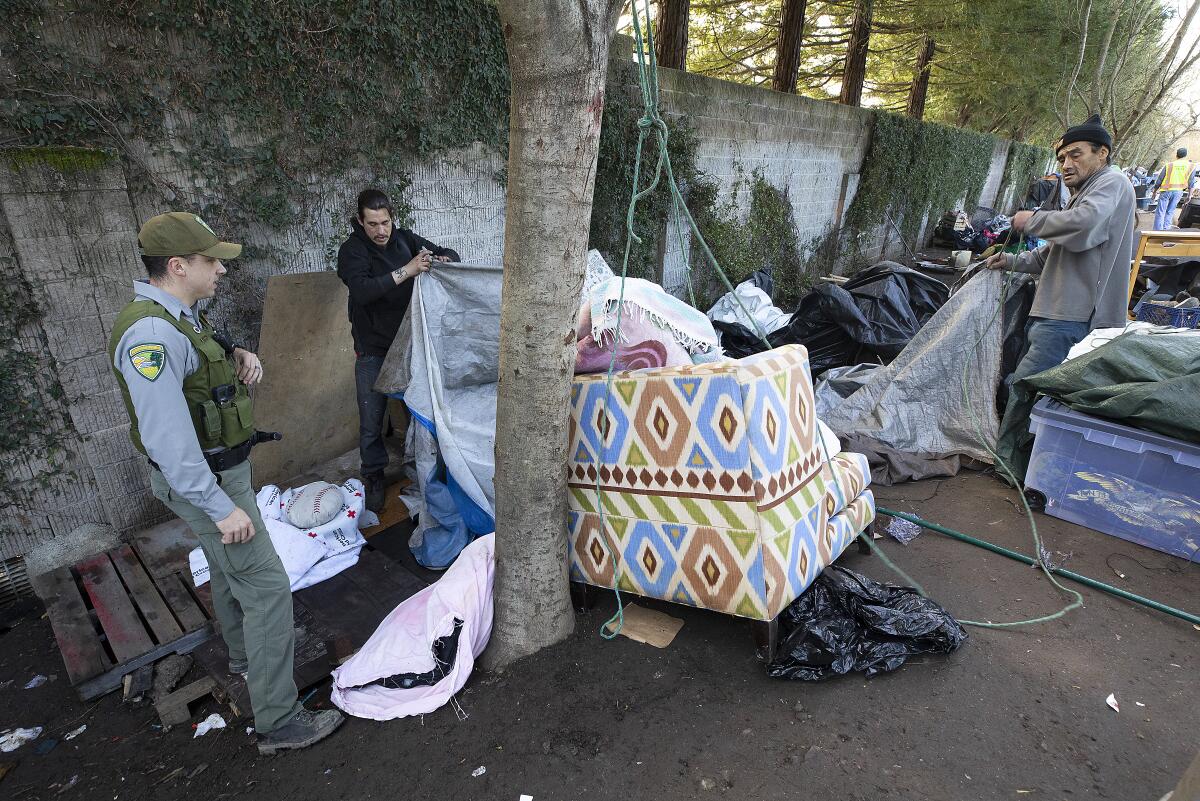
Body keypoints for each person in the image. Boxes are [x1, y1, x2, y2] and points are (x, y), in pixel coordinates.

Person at [108, 212, 344, 754]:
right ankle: (279, 721)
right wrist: (220, 508)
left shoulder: (178, 315)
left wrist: (238, 352)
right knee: (266, 589)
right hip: (209, 484)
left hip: (220, 475)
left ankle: (242, 656)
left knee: (226, 569)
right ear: (177, 265)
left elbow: (202, 362)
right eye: (211, 261)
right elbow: (169, 443)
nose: (220, 270)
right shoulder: (150, 335)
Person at [985, 115, 1136, 482]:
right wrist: (1009, 260)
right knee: (1035, 387)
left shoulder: (1111, 183)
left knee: (1026, 386)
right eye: (1062, 158)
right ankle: (1034, 465)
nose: (1067, 165)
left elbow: (1083, 226)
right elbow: (1051, 253)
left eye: (1076, 155)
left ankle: (1013, 467)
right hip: (1055, 310)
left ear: (1103, 154)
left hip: (1072, 314)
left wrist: (1031, 220)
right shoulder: (1085, 192)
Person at [336, 189, 460, 512]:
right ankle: (374, 476)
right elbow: (363, 291)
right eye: (373, 224)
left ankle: (421, 474)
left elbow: (451, 253)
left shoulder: (405, 239)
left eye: (385, 222)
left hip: (409, 348)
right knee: (371, 419)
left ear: (393, 218)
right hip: (373, 350)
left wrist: (442, 258)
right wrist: (408, 270)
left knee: (418, 415)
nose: (381, 231)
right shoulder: (353, 251)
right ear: (361, 223)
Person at [1153, 147, 1197, 230]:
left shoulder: (1169, 165)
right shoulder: (1191, 166)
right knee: (1170, 212)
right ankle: (1166, 230)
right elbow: (1191, 182)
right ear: (1185, 156)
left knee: (1160, 212)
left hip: (1166, 191)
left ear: (1176, 155)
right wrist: (1189, 196)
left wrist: (1154, 191)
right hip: (1178, 192)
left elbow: (1160, 179)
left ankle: (1157, 231)